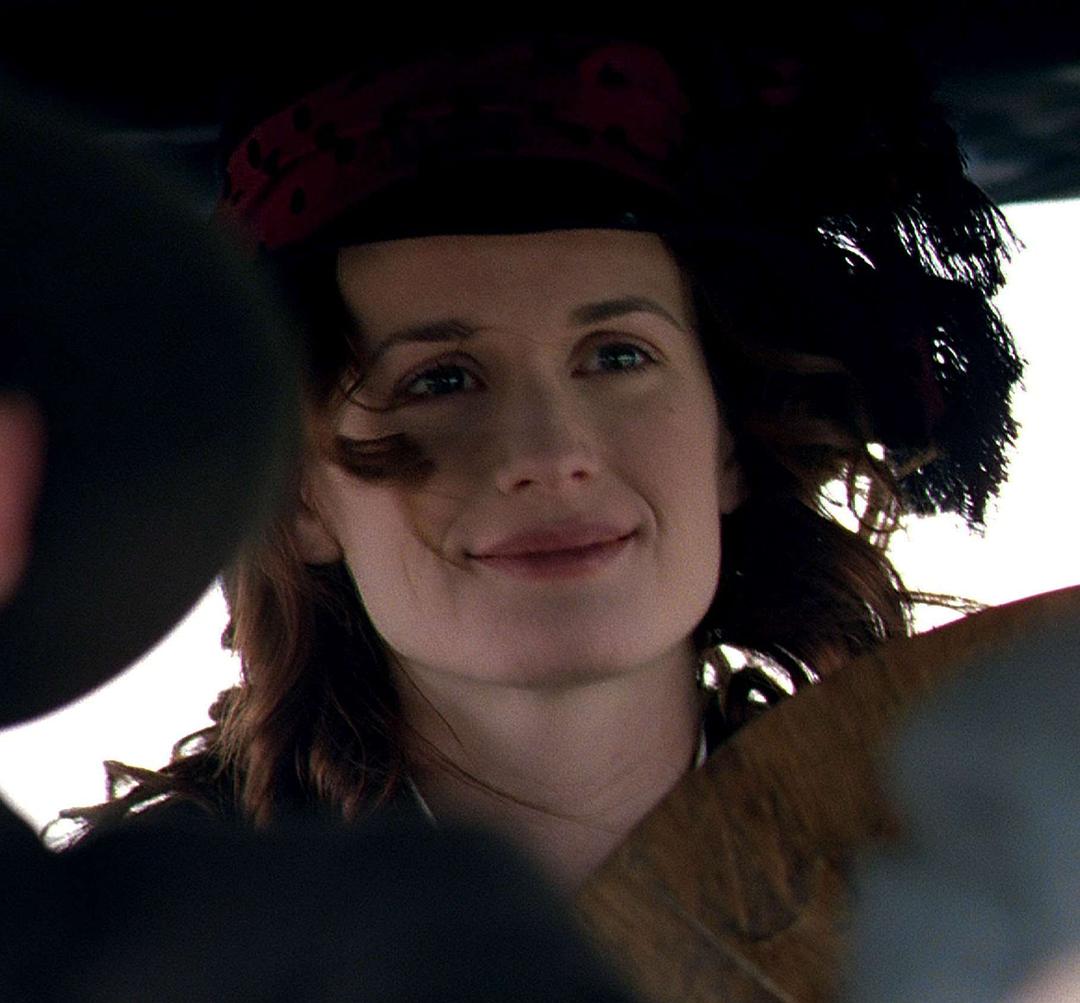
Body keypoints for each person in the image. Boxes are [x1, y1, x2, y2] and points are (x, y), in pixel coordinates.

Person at [57, 22, 1023, 899]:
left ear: (728, 440)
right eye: (441, 380)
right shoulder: (142, 947)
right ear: (302, 493)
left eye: (617, 357)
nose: (551, 455)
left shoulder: (966, 886)